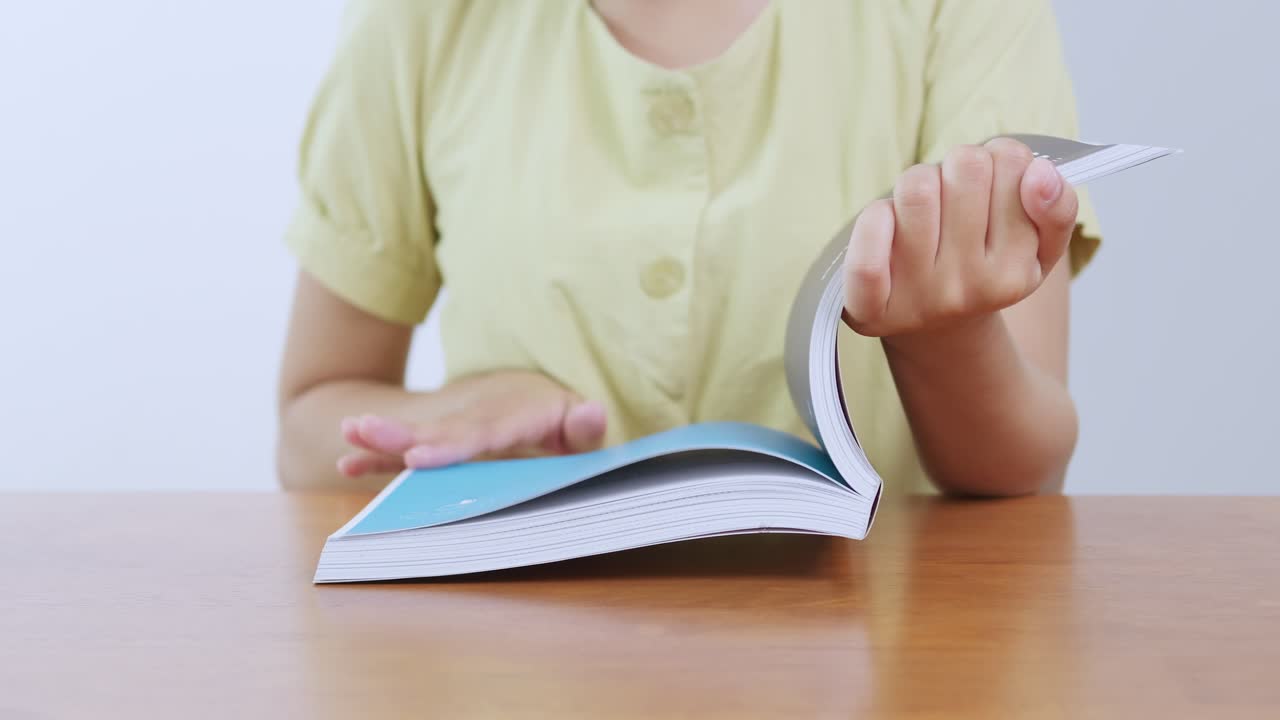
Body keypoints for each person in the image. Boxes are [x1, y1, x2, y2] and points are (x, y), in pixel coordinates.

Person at [276, 0, 1102, 498]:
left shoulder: (961, 15)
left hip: (878, 662)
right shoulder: (423, 20)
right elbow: (304, 434)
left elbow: (1028, 471)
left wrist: (943, 336)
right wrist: (465, 417)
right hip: (522, 670)